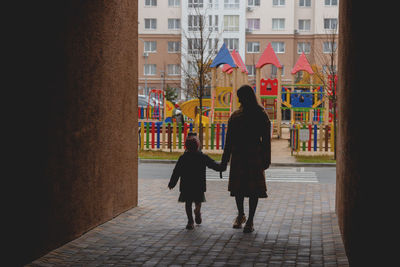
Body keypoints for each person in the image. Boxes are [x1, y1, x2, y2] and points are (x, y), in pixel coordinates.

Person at [221, 85, 271, 233]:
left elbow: (229, 141)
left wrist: (225, 161)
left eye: (240, 96)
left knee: (243, 189)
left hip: (243, 155)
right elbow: (266, 140)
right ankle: (246, 218)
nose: (239, 99)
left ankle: (245, 217)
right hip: (251, 155)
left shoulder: (240, 116)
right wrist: (266, 159)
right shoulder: (259, 114)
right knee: (246, 189)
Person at [168, 133, 224, 230]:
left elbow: (176, 172)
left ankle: (190, 221)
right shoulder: (202, 157)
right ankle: (197, 211)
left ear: (186, 146)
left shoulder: (183, 158)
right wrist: (221, 167)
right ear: (198, 146)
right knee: (198, 201)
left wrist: (172, 183)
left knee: (188, 203)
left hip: (186, 185)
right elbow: (212, 164)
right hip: (199, 184)